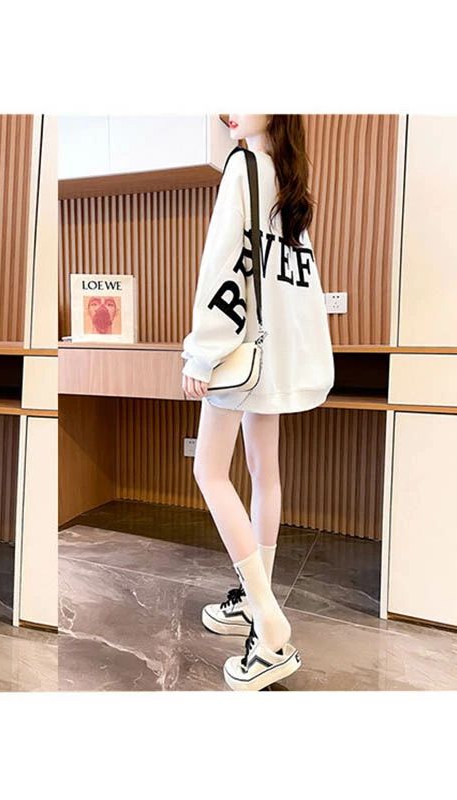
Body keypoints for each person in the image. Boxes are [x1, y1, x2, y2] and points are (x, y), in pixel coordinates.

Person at [181, 114, 334, 691]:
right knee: (263, 472)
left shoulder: (243, 166)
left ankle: (268, 623)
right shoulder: (290, 181)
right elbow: (295, 286)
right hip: (276, 355)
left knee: (209, 470)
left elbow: (223, 267)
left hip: (240, 352)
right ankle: (255, 596)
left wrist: (202, 354)